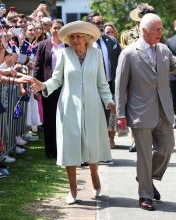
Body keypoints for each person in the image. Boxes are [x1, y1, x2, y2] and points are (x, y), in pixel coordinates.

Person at [115, 13, 176, 211]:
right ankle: (145, 195)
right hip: (140, 113)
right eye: (157, 30)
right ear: (144, 31)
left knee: (167, 148)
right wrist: (119, 114)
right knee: (144, 156)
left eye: (161, 29)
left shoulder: (163, 49)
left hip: (164, 110)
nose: (161, 33)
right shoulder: (128, 54)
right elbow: (120, 87)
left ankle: (144, 176)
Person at [31, 21, 115, 205]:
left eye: (79, 36)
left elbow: (102, 83)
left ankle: (94, 173)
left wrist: (109, 101)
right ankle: (73, 189)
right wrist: (44, 85)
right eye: (73, 37)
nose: (75, 39)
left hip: (92, 105)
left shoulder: (97, 54)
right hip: (68, 105)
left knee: (92, 144)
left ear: (87, 38)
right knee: (70, 146)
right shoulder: (64, 54)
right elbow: (56, 79)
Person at [119, 2, 156, 152]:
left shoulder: (156, 32)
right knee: (134, 108)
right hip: (133, 76)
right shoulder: (127, 35)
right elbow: (124, 56)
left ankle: (150, 139)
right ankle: (136, 139)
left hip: (150, 77)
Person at [86, 12, 121, 150]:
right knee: (92, 119)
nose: (100, 25)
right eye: (97, 23)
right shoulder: (85, 42)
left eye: (101, 22)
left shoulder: (111, 41)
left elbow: (119, 64)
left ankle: (104, 147)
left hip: (108, 86)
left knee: (107, 119)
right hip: (90, 86)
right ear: (90, 24)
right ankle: (92, 149)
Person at [34, 18, 65, 158]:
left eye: (60, 28)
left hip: (65, 86)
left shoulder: (69, 45)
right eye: (55, 27)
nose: (57, 30)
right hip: (48, 86)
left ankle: (64, 149)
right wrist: (37, 87)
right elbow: (38, 66)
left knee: (65, 118)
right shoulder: (43, 45)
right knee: (50, 119)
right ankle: (51, 151)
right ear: (50, 29)